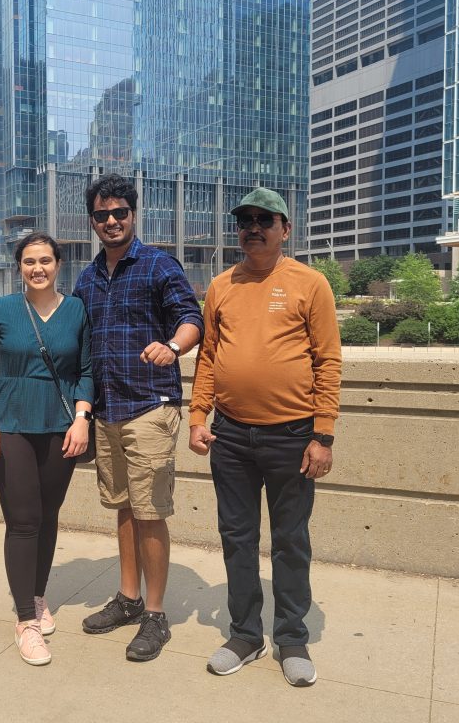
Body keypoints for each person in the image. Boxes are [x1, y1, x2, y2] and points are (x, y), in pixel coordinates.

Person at [188, 187, 341, 686]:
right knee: (237, 539)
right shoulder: (220, 285)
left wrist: (324, 435)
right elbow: (208, 356)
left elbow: (328, 362)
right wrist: (197, 417)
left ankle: (291, 638)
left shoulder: (310, 283)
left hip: (293, 437)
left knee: (290, 542)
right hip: (230, 437)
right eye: (245, 220)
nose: (253, 227)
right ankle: (246, 634)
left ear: (285, 229)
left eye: (265, 220)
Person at [73, 173, 203, 662]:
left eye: (120, 213)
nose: (111, 221)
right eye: (103, 215)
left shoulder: (157, 265)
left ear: (133, 214)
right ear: (93, 221)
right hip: (107, 410)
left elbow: (193, 319)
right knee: (124, 508)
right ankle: (127, 598)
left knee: (150, 513)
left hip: (150, 406)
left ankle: (154, 612)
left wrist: (172, 347)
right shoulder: (87, 278)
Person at [0, 232, 94, 666]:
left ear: (59, 264)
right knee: (23, 521)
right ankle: (25, 621)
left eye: (45, 260)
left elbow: (86, 371)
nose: (37, 268)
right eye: (28, 261)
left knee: (47, 516)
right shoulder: (2, 310)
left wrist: (82, 419)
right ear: (18, 267)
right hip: (10, 427)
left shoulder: (77, 310)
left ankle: (37, 596)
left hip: (62, 429)